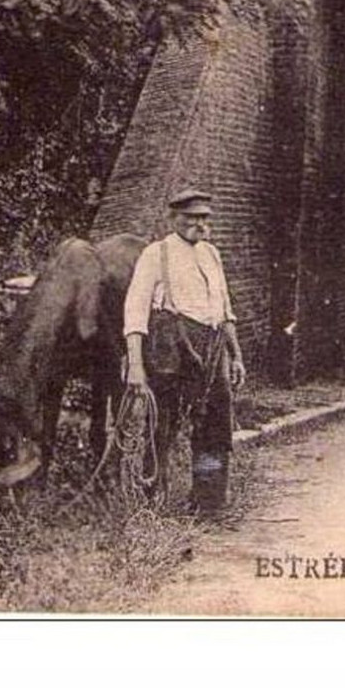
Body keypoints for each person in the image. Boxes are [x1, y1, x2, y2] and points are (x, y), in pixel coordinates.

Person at [124, 186, 247, 514]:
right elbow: (135, 311)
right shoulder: (156, 253)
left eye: (204, 218)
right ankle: (152, 504)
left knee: (215, 426)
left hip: (212, 349)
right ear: (173, 218)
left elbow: (225, 309)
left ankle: (208, 502)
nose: (199, 225)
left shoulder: (211, 254)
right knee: (161, 425)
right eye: (191, 218)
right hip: (171, 349)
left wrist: (235, 355)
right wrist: (135, 365)